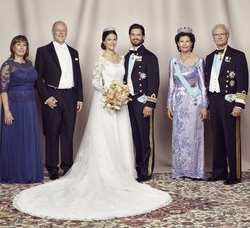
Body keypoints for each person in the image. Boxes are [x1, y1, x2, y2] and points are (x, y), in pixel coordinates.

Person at [13, 27, 172, 220]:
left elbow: (128, 81)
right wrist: (109, 91)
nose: (112, 42)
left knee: (121, 136)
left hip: (121, 105)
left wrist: (121, 93)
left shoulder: (124, 58)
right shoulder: (100, 59)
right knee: (102, 137)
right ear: (103, 41)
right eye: (109, 39)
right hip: (105, 103)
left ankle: (126, 171)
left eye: (115, 39)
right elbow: (95, 81)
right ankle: (93, 172)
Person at [35, 21, 83, 180]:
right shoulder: (43, 51)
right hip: (52, 95)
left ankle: (67, 166)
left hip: (70, 96)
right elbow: (38, 78)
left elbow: (78, 76)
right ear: (52, 32)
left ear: (67, 32)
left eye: (63, 30)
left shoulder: (74, 52)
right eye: (57, 30)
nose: (60, 33)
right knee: (52, 133)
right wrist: (46, 97)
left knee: (68, 133)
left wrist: (79, 97)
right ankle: (52, 168)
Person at [206, 24, 249, 185]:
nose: (219, 37)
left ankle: (235, 174)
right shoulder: (210, 57)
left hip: (230, 102)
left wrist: (239, 104)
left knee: (231, 138)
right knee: (217, 137)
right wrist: (208, 105)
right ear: (213, 37)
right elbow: (207, 82)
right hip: (215, 101)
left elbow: (243, 82)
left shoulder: (238, 55)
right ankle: (219, 172)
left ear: (227, 36)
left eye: (222, 34)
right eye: (216, 35)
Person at [0, 35, 43, 183]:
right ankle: (13, 174)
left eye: (24, 45)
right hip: (14, 106)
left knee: (28, 140)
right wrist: (6, 110)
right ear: (13, 47)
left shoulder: (29, 64)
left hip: (30, 105)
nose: (21, 47)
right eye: (18, 44)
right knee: (15, 139)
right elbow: (3, 89)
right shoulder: (7, 65)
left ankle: (28, 173)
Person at [167, 27, 208, 180]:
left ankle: (195, 171)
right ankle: (180, 170)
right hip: (178, 103)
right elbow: (171, 85)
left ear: (192, 43)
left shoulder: (199, 61)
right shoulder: (173, 62)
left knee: (194, 135)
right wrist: (169, 105)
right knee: (179, 137)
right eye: (181, 41)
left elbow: (203, 86)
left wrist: (205, 106)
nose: (184, 44)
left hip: (194, 102)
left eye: (187, 41)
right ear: (177, 43)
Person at [124, 23, 160, 182]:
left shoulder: (150, 57)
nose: (136, 37)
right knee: (136, 138)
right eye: (133, 34)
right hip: (128, 102)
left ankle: (147, 170)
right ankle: (138, 169)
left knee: (146, 138)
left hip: (143, 101)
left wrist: (150, 104)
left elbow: (154, 82)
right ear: (129, 36)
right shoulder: (125, 57)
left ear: (143, 37)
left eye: (139, 34)